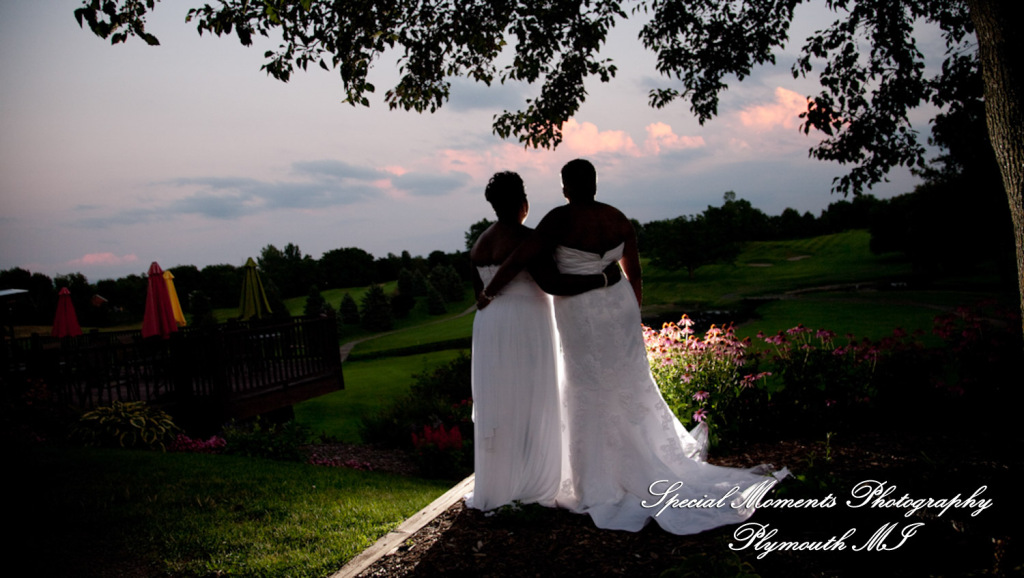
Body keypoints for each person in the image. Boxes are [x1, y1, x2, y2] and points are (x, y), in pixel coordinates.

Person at [479, 159, 785, 534]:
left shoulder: (557, 219)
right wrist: (630, 312)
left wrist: (490, 291)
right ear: (593, 183)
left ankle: (596, 477)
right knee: (625, 379)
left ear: (566, 187)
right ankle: (637, 458)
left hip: (580, 308)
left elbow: (522, 259)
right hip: (618, 305)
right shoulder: (618, 218)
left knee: (586, 384)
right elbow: (634, 271)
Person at [467, 171, 621, 512]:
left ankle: (496, 488)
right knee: (534, 398)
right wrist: (601, 278)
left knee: (501, 404)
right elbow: (553, 284)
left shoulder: (480, 242)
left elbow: (480, 294)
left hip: (490, 325)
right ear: (523, 202)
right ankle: (533, 483)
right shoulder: (528, 239)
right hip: (526, 324)